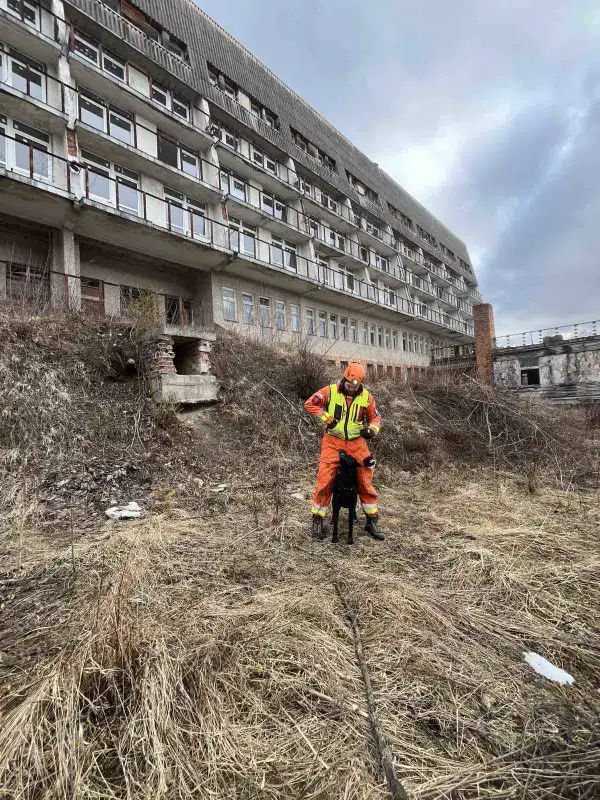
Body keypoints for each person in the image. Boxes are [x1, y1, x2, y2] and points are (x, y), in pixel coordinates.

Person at [304, 362, 384, 541]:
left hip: (357, 443)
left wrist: (371, 430)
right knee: (325, 480)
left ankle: (372, 520)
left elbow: (376, 418)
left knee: (365, 479)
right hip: (333, 442)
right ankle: (318, 519)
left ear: (359, 383)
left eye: (353, 385)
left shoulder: (366, 397)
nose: (350, 387)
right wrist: (327, 418)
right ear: (344, 378)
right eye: (348, 383)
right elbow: (310, 404)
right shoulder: (330, 391)